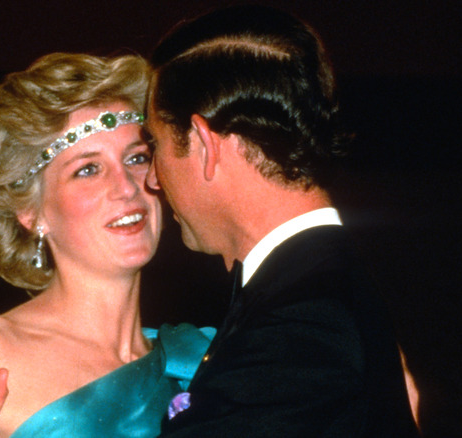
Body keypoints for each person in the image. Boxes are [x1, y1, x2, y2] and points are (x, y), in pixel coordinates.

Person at [0, 52, 214, 437]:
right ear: (31, 211)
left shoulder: (201, 356)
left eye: (137, 158)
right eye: (88, 169)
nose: (126, 187)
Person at [141, 4, 420, 436]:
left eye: (155, 145)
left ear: (203, 144)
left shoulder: (301, 326)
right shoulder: (314, 289)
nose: (152, 179)